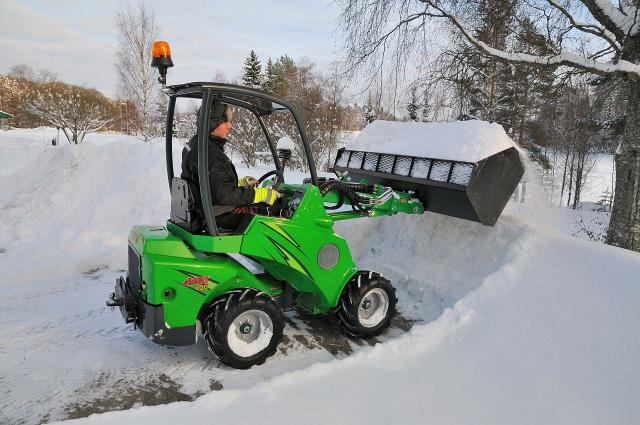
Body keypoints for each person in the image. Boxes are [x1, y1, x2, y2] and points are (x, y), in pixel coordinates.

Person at [181, 102, 282, 231]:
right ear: (213, 124)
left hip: (205, 209)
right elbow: (224, 195)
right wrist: (261, 194)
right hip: (218, 214)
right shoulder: (210, 154)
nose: (230, 126)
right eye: (226, 122)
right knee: (273, 209)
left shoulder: (198, 144)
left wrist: (240, 184)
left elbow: (212, 184)